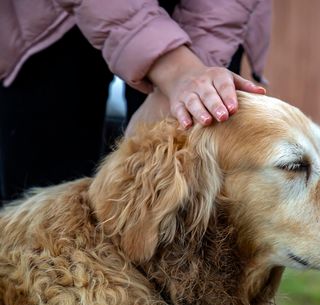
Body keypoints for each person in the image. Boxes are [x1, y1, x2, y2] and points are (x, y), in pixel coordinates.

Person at [0, 0, 271, 202]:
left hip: (215, 19)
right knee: (42, 218)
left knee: (197, 213)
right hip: (48, 22)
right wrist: (175, 69)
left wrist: (195, 78)